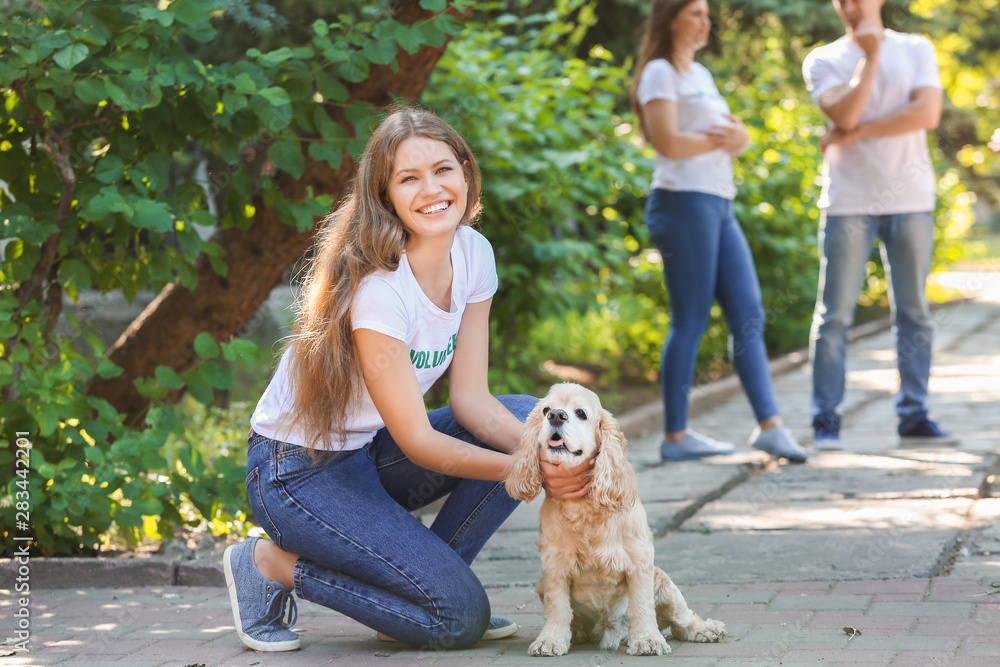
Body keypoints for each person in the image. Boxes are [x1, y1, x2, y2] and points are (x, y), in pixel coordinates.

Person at [223, 108, 593, 652]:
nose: (432, 189)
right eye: (408, 178)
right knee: (459, 620)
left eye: (444, 169)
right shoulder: (380, 288)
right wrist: (531, 470)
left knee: (523, 418)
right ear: (385, 195)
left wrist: (558, 458)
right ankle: (268, 564)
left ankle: (420, 594)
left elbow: (471, 401)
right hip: (297, 474)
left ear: (466, 173)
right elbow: (420, 443)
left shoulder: (473, 255)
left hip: (369, 454)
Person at [631, 0, 809, 463]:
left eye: (708, 14)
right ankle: (675, 436)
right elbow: (666, 140)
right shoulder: (659, 72)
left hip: (719, 202)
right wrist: (724, 139)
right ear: (670, 18)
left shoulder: (701, 76)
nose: (706, 22)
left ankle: (770, 425)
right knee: (689, 319)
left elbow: (731, 135)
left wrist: (741, 138)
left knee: (749, 313)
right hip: (682, 202)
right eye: (696, 13)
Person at [803, 0, 955, 448]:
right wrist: (869, 58)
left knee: (914, 313)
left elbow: (926, 114)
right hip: (848, 203)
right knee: (835, 316)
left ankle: (914, 414)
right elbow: (844, 113)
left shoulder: (916, 48)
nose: (851, 6)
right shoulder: (824, 59)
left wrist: (857, 133)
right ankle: (825, 419)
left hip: (911, 199)